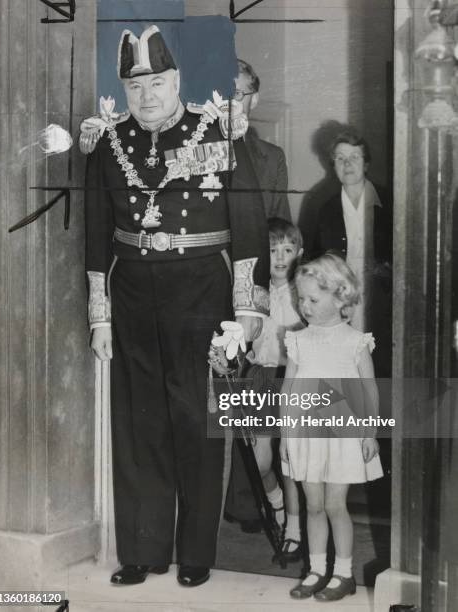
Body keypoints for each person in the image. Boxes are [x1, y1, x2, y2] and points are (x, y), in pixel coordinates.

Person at [82, 26, 269, 587]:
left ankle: (194, 552)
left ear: (177, 81)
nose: (147, 95)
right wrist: (100, 314)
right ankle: (142, 550)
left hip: (201, 293)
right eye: (135, 86)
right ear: (124, 88)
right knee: (141, 427)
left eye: (158, 82)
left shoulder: (216, 130)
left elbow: (249, 222)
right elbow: (95, 233)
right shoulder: (109, 143)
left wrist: (247, 310)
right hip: (134, 293)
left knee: (194, 421)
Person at [281, 253, 383, 601]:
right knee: (313, 504)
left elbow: (369, 390)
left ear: (340, 297)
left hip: (342, 435)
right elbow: (289, 390)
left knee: (336, 504)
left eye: (313, 299)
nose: (304, 306)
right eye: (300, 299)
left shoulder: (355, 341)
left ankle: (343, 573)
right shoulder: (298, 340)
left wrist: (369, 432)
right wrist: (285, 433)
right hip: (306, 434)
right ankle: (315, 569)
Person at [224, 218, 304, 559]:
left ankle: (297, 528)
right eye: (273, 251)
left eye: (288, 250)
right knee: (261, 462)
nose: (281, 258)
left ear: (300, 253)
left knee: (294, 459)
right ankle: (279, 508)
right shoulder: (252, 293)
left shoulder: (303, 291)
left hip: (295, 377)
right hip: (260, 377)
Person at [310, 131, 392, 376]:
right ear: (332, 165)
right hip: (343, 303)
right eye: (340, 158)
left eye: (355, 157)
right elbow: (316, 262)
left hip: (383, 300)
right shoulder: (325, 209)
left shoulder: (391, 202)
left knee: (382, 365)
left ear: (366, 163)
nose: (348, 164)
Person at [235, 59, 291, 221]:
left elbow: (281, 229)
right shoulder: (193, 151)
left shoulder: (273, 158)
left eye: (237, 94)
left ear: (253, 100)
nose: (227, 103)